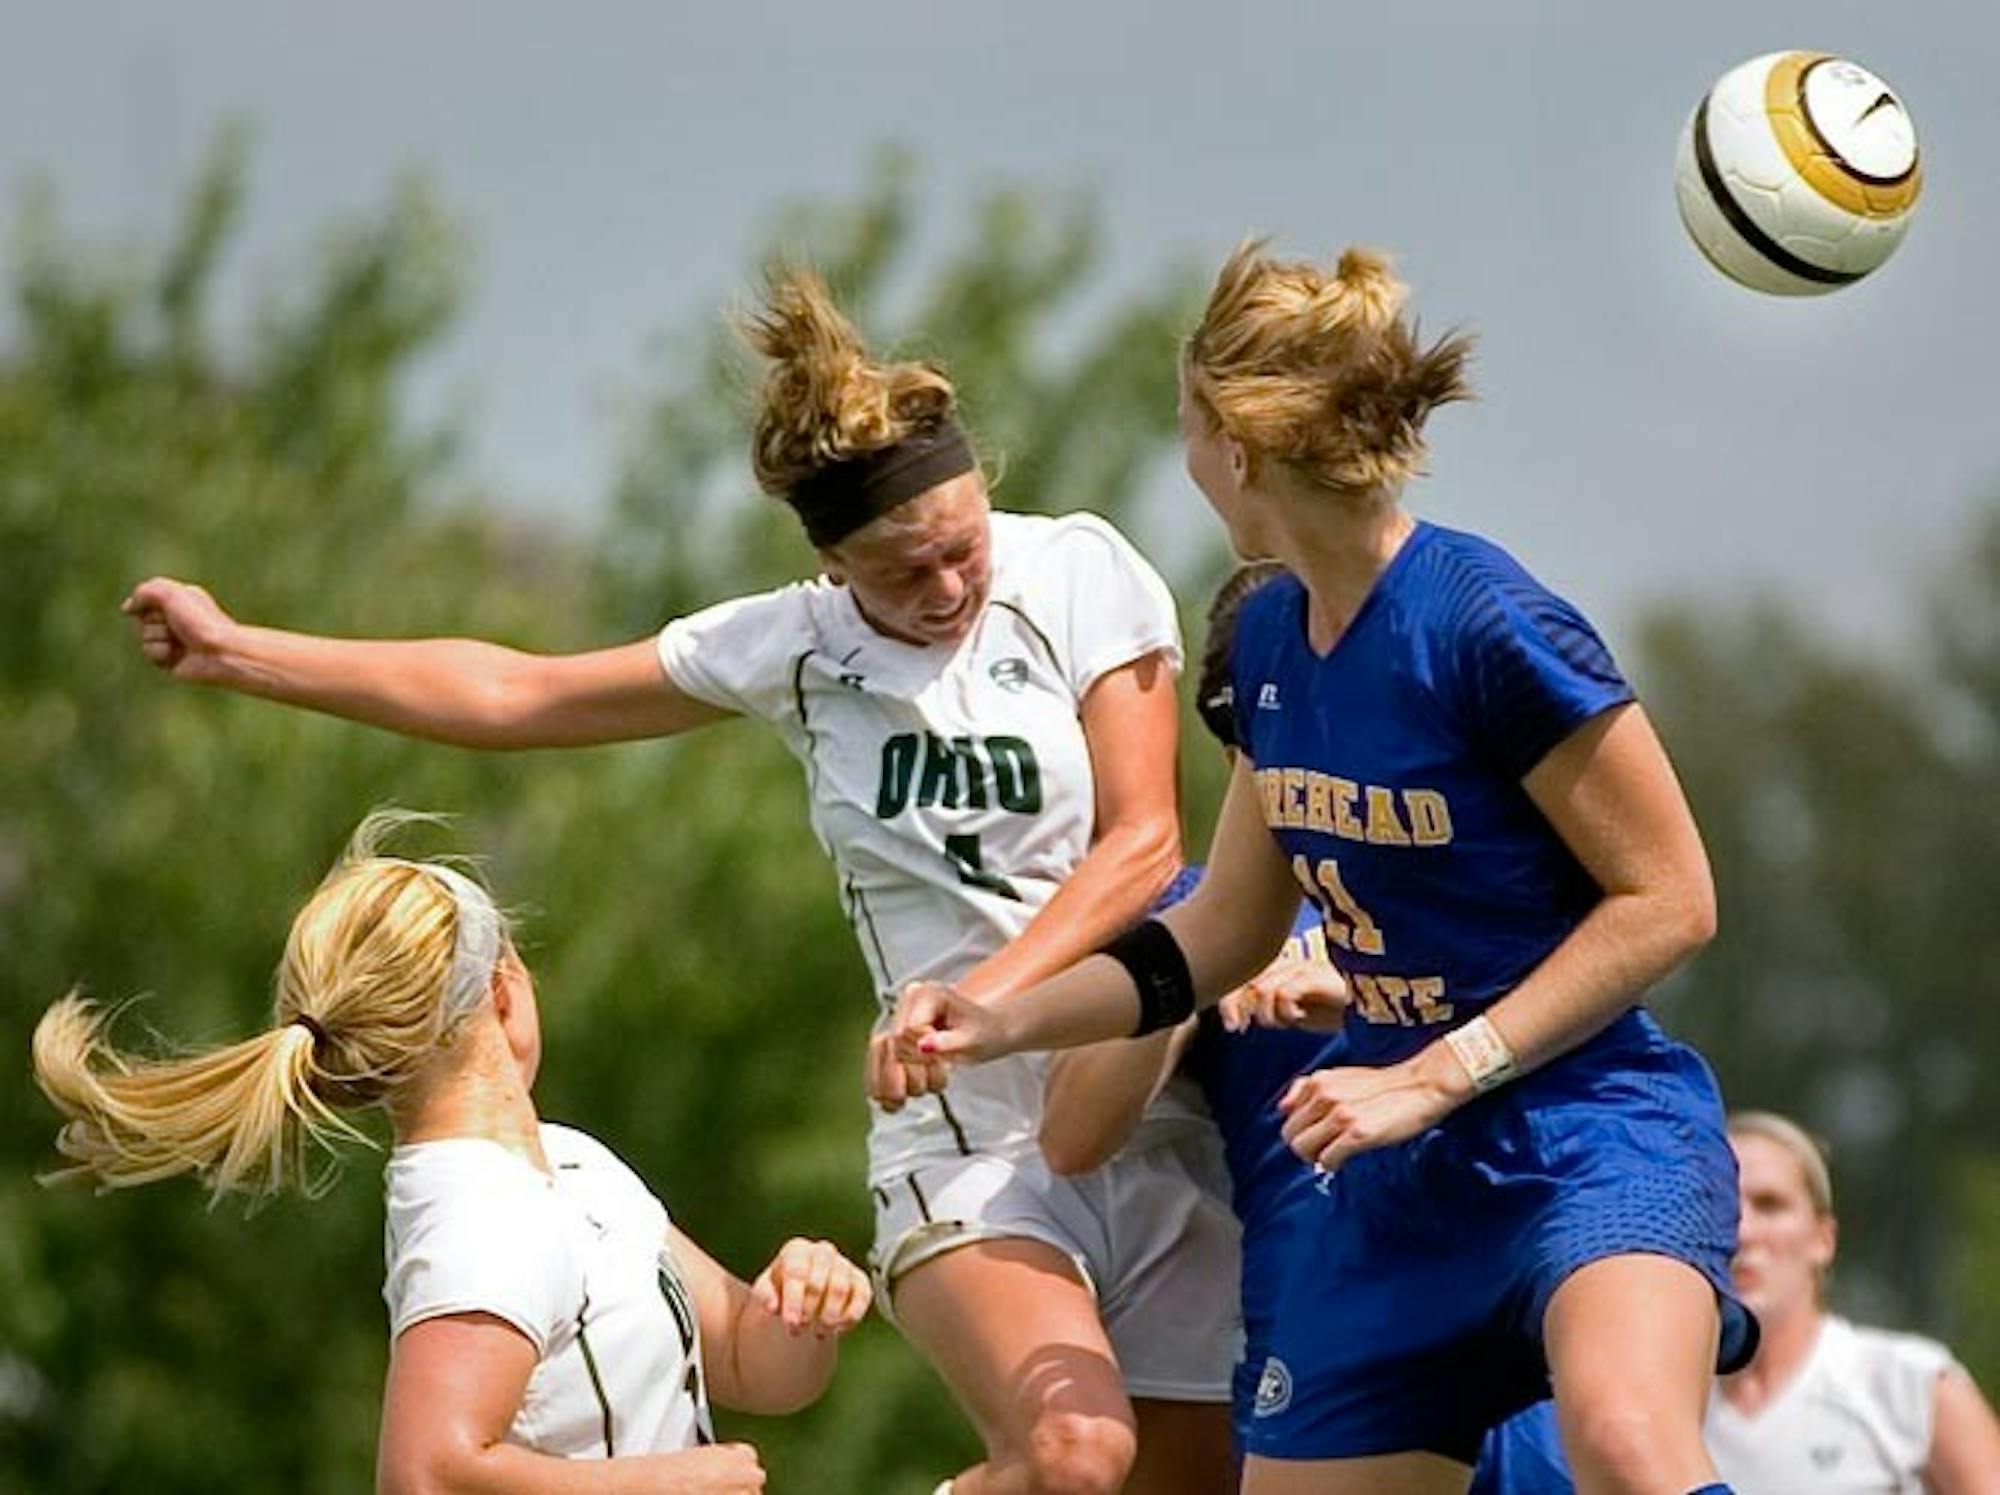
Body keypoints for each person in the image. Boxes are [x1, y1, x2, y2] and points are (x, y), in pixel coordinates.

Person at [121, 271, 1239, 1495]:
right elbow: (515, 693)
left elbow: (1142, 844)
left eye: (961, 547)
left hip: (1142, 1093)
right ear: (829, 561)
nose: (946, 588)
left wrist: (989, 1000)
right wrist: (242, 652)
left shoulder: (1077, 573)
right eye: (900, 571)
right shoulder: (794, 646)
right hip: (963, 1134)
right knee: (1077, 1456)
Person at [882, 241, 1756, 1495]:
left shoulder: (1483, 619)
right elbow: (1218, 932)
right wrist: (999, 1015)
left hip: (1586, 1134)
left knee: (1621, 1439)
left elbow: (1669, 898)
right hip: (1400, 1191)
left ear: (1236, 448)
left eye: (1188, 428)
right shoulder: (1272, 643)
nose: (1186, 461)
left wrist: (1431, 1075)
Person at [32, 811, 870, 1493]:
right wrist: (653, 1484)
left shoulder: (571, 1164)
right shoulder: (480, 1220)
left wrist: (802, 1306)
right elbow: (423, 1475)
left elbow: (748, 1362)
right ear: (505, 989)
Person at [1037, 562, 1574, 1493]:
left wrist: (1372, 985)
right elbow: (1071, 1133)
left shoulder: (1475, 877)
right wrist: (1201, 975)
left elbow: (1585, 1033)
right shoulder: (1193, 912)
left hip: (1504, 1307)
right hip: (1322, 1351)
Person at [1705, 1111, 2000, 1494]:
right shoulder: (1661, 1410)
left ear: (1823, 1239)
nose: (1742, 1232)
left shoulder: (1911, 1385)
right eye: (1720, 1207)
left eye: (1770, 1204)